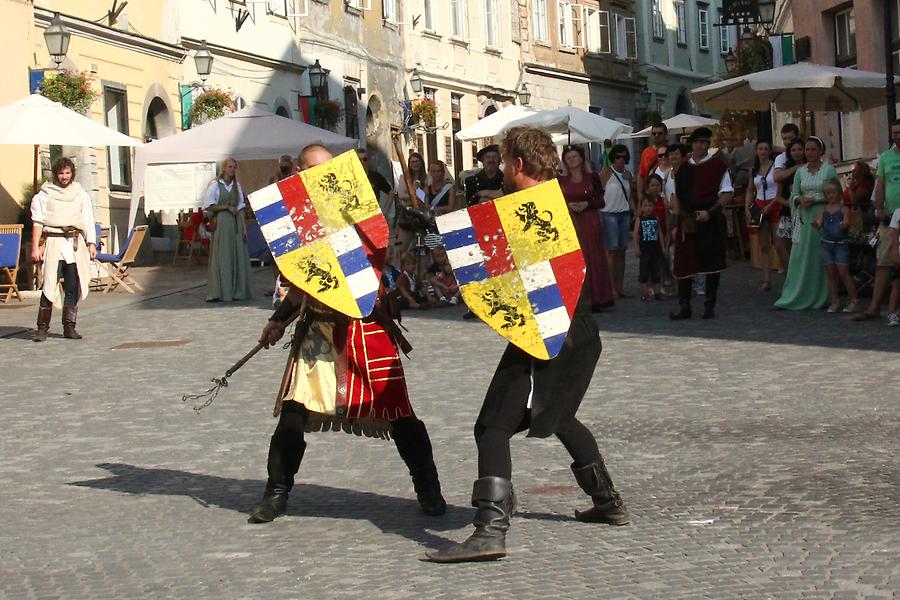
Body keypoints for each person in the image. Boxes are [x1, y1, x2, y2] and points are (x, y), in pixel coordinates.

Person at [425, 126, 629, 564]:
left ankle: (489, 530)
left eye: (504, 162)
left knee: (492, 427)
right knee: (558, 414)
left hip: (546, 336)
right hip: (579, 334)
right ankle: (608, 502)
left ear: (517, 164)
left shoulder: (525, 211)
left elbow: (513, 281)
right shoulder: (551, 207)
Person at [249, 144, 446, 525]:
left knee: (400, 413)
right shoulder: (300, 216)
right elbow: (304, 282)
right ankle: (276, 491)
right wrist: (279, 319)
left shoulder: (357, 208)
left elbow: (373, 258)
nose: (322, 175)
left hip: (367, 324)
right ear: (302, 173)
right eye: (312, 169)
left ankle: (429, 487)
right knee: (292, 414)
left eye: (327, 168)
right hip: (319, 327)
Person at [30, 157, 97, 342]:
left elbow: (88, 219)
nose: (64, 176)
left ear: (72, 173)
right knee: (49, 285)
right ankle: (42, 328)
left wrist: (91, 243)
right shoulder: (45, 194)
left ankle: (69, 327)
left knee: (73, 287)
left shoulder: (80, 194)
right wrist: (36, 247)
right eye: (61, 173)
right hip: (54, 242)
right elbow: (38, 222)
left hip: (74, 244)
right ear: (56, 174)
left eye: (67, 173)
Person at [670, 127, 734, 320]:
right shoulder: (683, 169)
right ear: (692, 144)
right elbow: (678, 197)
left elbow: (727, 193)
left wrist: (710, 212)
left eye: (704, 143)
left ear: (708, 144)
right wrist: (678, 219)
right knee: (684, 263)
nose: (700, 146)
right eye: (697, 142)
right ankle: (685, 307)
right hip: (687, 221)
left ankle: (709, 306)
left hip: (710, 219)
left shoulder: (717, 167)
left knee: (711, 263)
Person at [774, 137, 836, 311]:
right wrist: (799, 199)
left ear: (820, 151)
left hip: (821, 216)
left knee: (819, 255)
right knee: (800, 255)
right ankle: (797, 293)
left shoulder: (829, 170)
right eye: (807, 150)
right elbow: (793, 193)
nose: (809, 153)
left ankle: (822, 294)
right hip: (803, 217)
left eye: (813, 149)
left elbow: (836, 194)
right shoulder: (800, 172)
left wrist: (817, 200)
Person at [558, 145, 616, 310]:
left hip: (589, 220)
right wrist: (569, 205)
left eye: (574, 156)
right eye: (568, 158)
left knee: (593, 257)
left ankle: (597, 297)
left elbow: (601, 200)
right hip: (571, 220)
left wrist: (587, 204)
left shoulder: (592, 178)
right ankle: (576, 297)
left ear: (581, 158)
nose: (571, 160)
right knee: (575, 258)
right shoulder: (561, 181)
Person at [854, 121, 900, 322]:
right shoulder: (886, 158)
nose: (897, 136)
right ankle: (874, 307)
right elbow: (880, 185)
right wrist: (879, 209)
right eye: (894, 133)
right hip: (891, 218)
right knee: (884, 262)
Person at [203, 158, 253, 302]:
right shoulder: (215, 185)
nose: (232, 169)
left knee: (236, 254)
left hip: (235, 222)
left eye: (234, 167)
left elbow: (241, 208)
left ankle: (237, 290)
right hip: (222, 222)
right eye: (229, 167)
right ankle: (220, 291)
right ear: (224, 168)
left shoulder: (236, 186)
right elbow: (208, 205)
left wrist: (244, 228)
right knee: (223, 255)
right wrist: (225, 207)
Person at [812, 178, 859, 313]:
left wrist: (845, 224)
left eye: (833, 193)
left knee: (844, 272)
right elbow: (819, 223)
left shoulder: (843, 209)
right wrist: (815, 224)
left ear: (839, 193)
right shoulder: (823, 210)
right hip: (826, 244)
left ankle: (854, 299)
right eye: (828, 193)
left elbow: (847, 222)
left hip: (840, 244)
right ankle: (834, 300)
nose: (831, 196)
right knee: (831, 273)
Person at [745, 140, 785, 292]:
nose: (763, 152)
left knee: (779, 244)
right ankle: (766, 280)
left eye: (766, 149)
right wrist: (747, 208)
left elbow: (786, 152)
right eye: (760, 149)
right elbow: (750, 189)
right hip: (759, 206)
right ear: (756, 151)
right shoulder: (753, 169)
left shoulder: (776, 166)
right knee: (763, 246)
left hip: (774, 204)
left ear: (770, 151)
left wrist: (776, 147)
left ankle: (790, 278)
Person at [599, 144, 635, 298]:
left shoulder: (628, 174)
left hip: (624, 214)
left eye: (623, 157)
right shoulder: (606, 172)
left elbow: (631, 195)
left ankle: (620, 287)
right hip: (609, 215)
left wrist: (636, 211)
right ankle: (610, 288)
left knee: (622, 252)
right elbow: (599, 194)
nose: (620, 160)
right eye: (617, 157)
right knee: (612, 252)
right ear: (612, 158)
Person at [394, 152, 428, 260]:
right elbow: (401, 195)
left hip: (423, 216)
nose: (415, 164)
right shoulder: (404, 177)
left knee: (423, 250)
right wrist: (416, 193)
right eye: (412, 161)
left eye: (417, 161)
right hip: (408, 215)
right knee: (401, 248)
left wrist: (414, 192)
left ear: (421, 163)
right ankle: (402, 272)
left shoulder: (427, 178)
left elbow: (424, 198)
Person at [633, 196, 665, 301]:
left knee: (656, 270)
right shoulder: (639, 219)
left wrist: (663, 247)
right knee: (644, 271)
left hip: (655, 249)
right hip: (644, 249)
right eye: (645, 206)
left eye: (650, 205)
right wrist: (636, 248)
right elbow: (635, 234)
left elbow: (659, 233)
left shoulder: (656, 219)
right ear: (641, 207)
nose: (648, 208)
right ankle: (645, 293)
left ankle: (657, 292)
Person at [637, 122, 669, 200]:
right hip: (650, 196)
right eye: (654, 133)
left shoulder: (671, 151)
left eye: (660, 133)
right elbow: (641, 174)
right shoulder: (646, 152)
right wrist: (640, 194)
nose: (656, 135)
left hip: (668, 194)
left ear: (665, 134)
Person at [885, 207, 900, 326]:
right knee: (897, 284)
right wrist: (895, 253)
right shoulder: (898, 212)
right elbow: (895, 236)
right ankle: (891, 312)